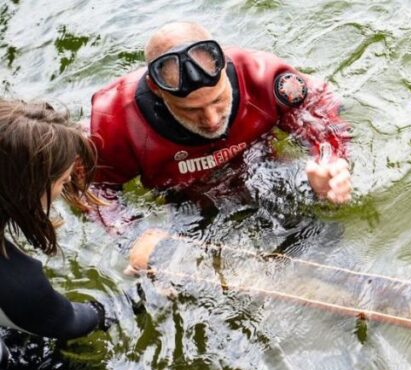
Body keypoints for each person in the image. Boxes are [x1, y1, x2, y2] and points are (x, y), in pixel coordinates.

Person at [88, 22, 352, 229]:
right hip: (186, 206)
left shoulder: (262, 76)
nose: (212, 120)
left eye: (218, 100)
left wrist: (330, 159)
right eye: (191, 110)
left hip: (264, 169)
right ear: (158, 91)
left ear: (225, 69)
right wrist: (133, 235)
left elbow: (319, 108)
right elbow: (95, 189)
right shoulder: (116, 121)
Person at [0, 101, 110, 370]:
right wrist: (137, 297)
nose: (64, 189)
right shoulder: (16, 282)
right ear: (26, 188)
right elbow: (69, 322)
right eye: (62, 181)